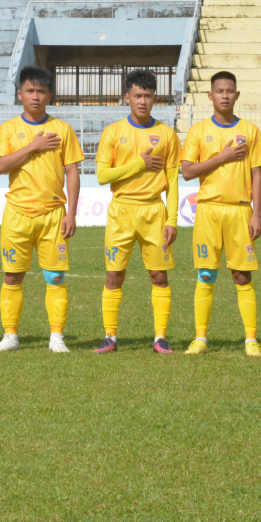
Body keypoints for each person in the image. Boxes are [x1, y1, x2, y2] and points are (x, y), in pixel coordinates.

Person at [0, 67, 84, 353]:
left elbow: (73, 172)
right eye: (30, 91)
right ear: (19, 94)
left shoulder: (63, 129)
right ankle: (10, 336)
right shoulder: (8, 129)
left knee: (55, 276)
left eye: (41, 91)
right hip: (17, 212)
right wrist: (33, 146)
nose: (36, 96)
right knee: (12, 276)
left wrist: (71, 213)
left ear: (49, 95)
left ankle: (57, 337)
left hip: (53, 214)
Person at [180, 71, 261, 356]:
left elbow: (257, 175)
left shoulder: (250, 130)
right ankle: (201, 339)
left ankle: (251, 340)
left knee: (242, 276)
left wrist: (256, 213)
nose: (225, 95)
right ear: (210, 95)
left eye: (230, 91)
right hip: (208, 210)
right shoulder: (198, 131)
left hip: (240, 211)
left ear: (237, 95)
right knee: (206, 274)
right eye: (220, 91)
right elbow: (188, 171)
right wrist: (222, 157)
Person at [93, 69, 181, 354]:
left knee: (159, 276)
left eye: (147, 96)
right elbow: (103, 176)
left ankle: (160, 338)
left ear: (155, 98)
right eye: (137, 95)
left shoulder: (167, 134)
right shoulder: (113, 132)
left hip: (154, 212)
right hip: (121, 210)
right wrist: (140, 165)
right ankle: (110, 337)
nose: (142, 101)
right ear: (126, 97)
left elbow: (173, 181)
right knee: (114, 276)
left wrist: (172, 219)